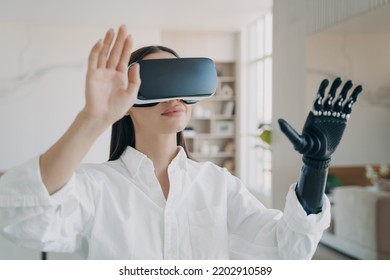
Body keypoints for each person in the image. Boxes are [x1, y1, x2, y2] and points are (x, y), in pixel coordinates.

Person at [0, 25, 362, 260]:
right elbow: (20, 216)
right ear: (127, 103)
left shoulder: (217, 184)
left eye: (182, 83)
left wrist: (315, 169)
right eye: (158, 85)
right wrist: (93, 118)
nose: (174, 98)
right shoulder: (96, 187)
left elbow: (286, 251)